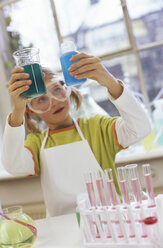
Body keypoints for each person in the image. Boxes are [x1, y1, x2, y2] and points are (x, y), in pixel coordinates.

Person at [1, 53, 151, 217]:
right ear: (30, 110)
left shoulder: (97, 128)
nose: (55, 102)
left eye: (57, 90)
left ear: (68, 90)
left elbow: (141, 128)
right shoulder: (35, 143)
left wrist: (110, 82)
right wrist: (17, 111)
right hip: (62, 229)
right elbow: (13, 165)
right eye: (41, 99)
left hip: (110, 222)